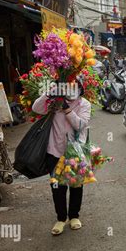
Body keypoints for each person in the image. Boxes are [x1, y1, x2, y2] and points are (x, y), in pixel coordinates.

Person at [32, 78, 92, 235]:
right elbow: (36, 108)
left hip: (75, 150)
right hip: (54, 150)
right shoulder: (54, 102)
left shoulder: (84, 104)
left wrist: (66, 109)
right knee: (57, 187)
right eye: (67, 87)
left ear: (80, 88)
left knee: (75, 185)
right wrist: (51, 93)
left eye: (75, 86)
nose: (71, 90)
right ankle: (61, 218)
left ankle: (74, 216)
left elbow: (80, 124)